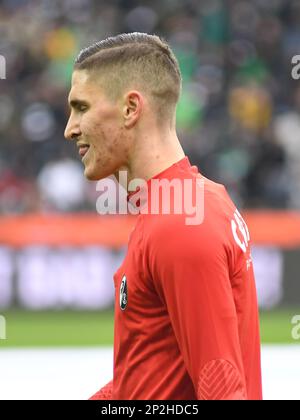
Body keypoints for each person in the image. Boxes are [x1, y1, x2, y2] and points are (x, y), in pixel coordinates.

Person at [64, 33, 262, 400]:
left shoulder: (179, 225)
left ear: (130, 108)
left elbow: (222, 389)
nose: (70, 128)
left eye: (81, 107)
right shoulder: (191, 202)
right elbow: (147, 380)